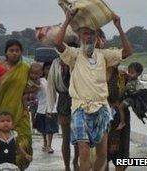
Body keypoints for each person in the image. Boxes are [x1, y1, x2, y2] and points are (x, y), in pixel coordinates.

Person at [55, 10, 133, 171]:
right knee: (83, 152)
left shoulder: (104, 55)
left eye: (92, 34)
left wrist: (119, 27)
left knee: (102, 154)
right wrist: (67, 19)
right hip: (80, 108)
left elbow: (127, 52)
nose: (89, 36)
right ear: (80, 37)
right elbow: (58, 43)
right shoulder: (74, 55)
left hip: (102, 109)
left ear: (97, 37)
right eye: (85, 34)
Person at [0, 39, 33, 170]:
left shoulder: (26, 68)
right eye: (11, 50)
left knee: (25, 144)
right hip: (4, 114)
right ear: (6, 52)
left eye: (17, 51)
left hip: (21, 113)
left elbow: (31, 87)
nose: (14, 53)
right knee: (3, 148)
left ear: (21, 53)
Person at [46, 47, 79, 170]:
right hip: (64, 100)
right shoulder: (56, 63)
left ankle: (76, 161)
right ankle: (66, 166)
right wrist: (50, 107)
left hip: (78, 99)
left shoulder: (79, 60)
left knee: (79, 135)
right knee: (66, 137)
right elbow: (51, 85)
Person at [34, 62, 59, 154]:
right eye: (47, 68)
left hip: (53, 109)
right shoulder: (40, 81)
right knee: (43, 129)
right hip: (42, 107)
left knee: (50, 129)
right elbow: (34, 90)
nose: (49, 70)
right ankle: (45, 141)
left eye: (51, 68)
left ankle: (49, 145)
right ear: (43, 70)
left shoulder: (56, 81)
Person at [117, 62, 144, 130]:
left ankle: (122, 122)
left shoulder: (137, 83)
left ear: (138, 74)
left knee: (120, 107)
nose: (129, 74)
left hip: (131, 99)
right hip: (127, 97)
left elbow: (141, 91)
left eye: (132, 73)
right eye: (129, 71)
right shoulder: (129, 79)